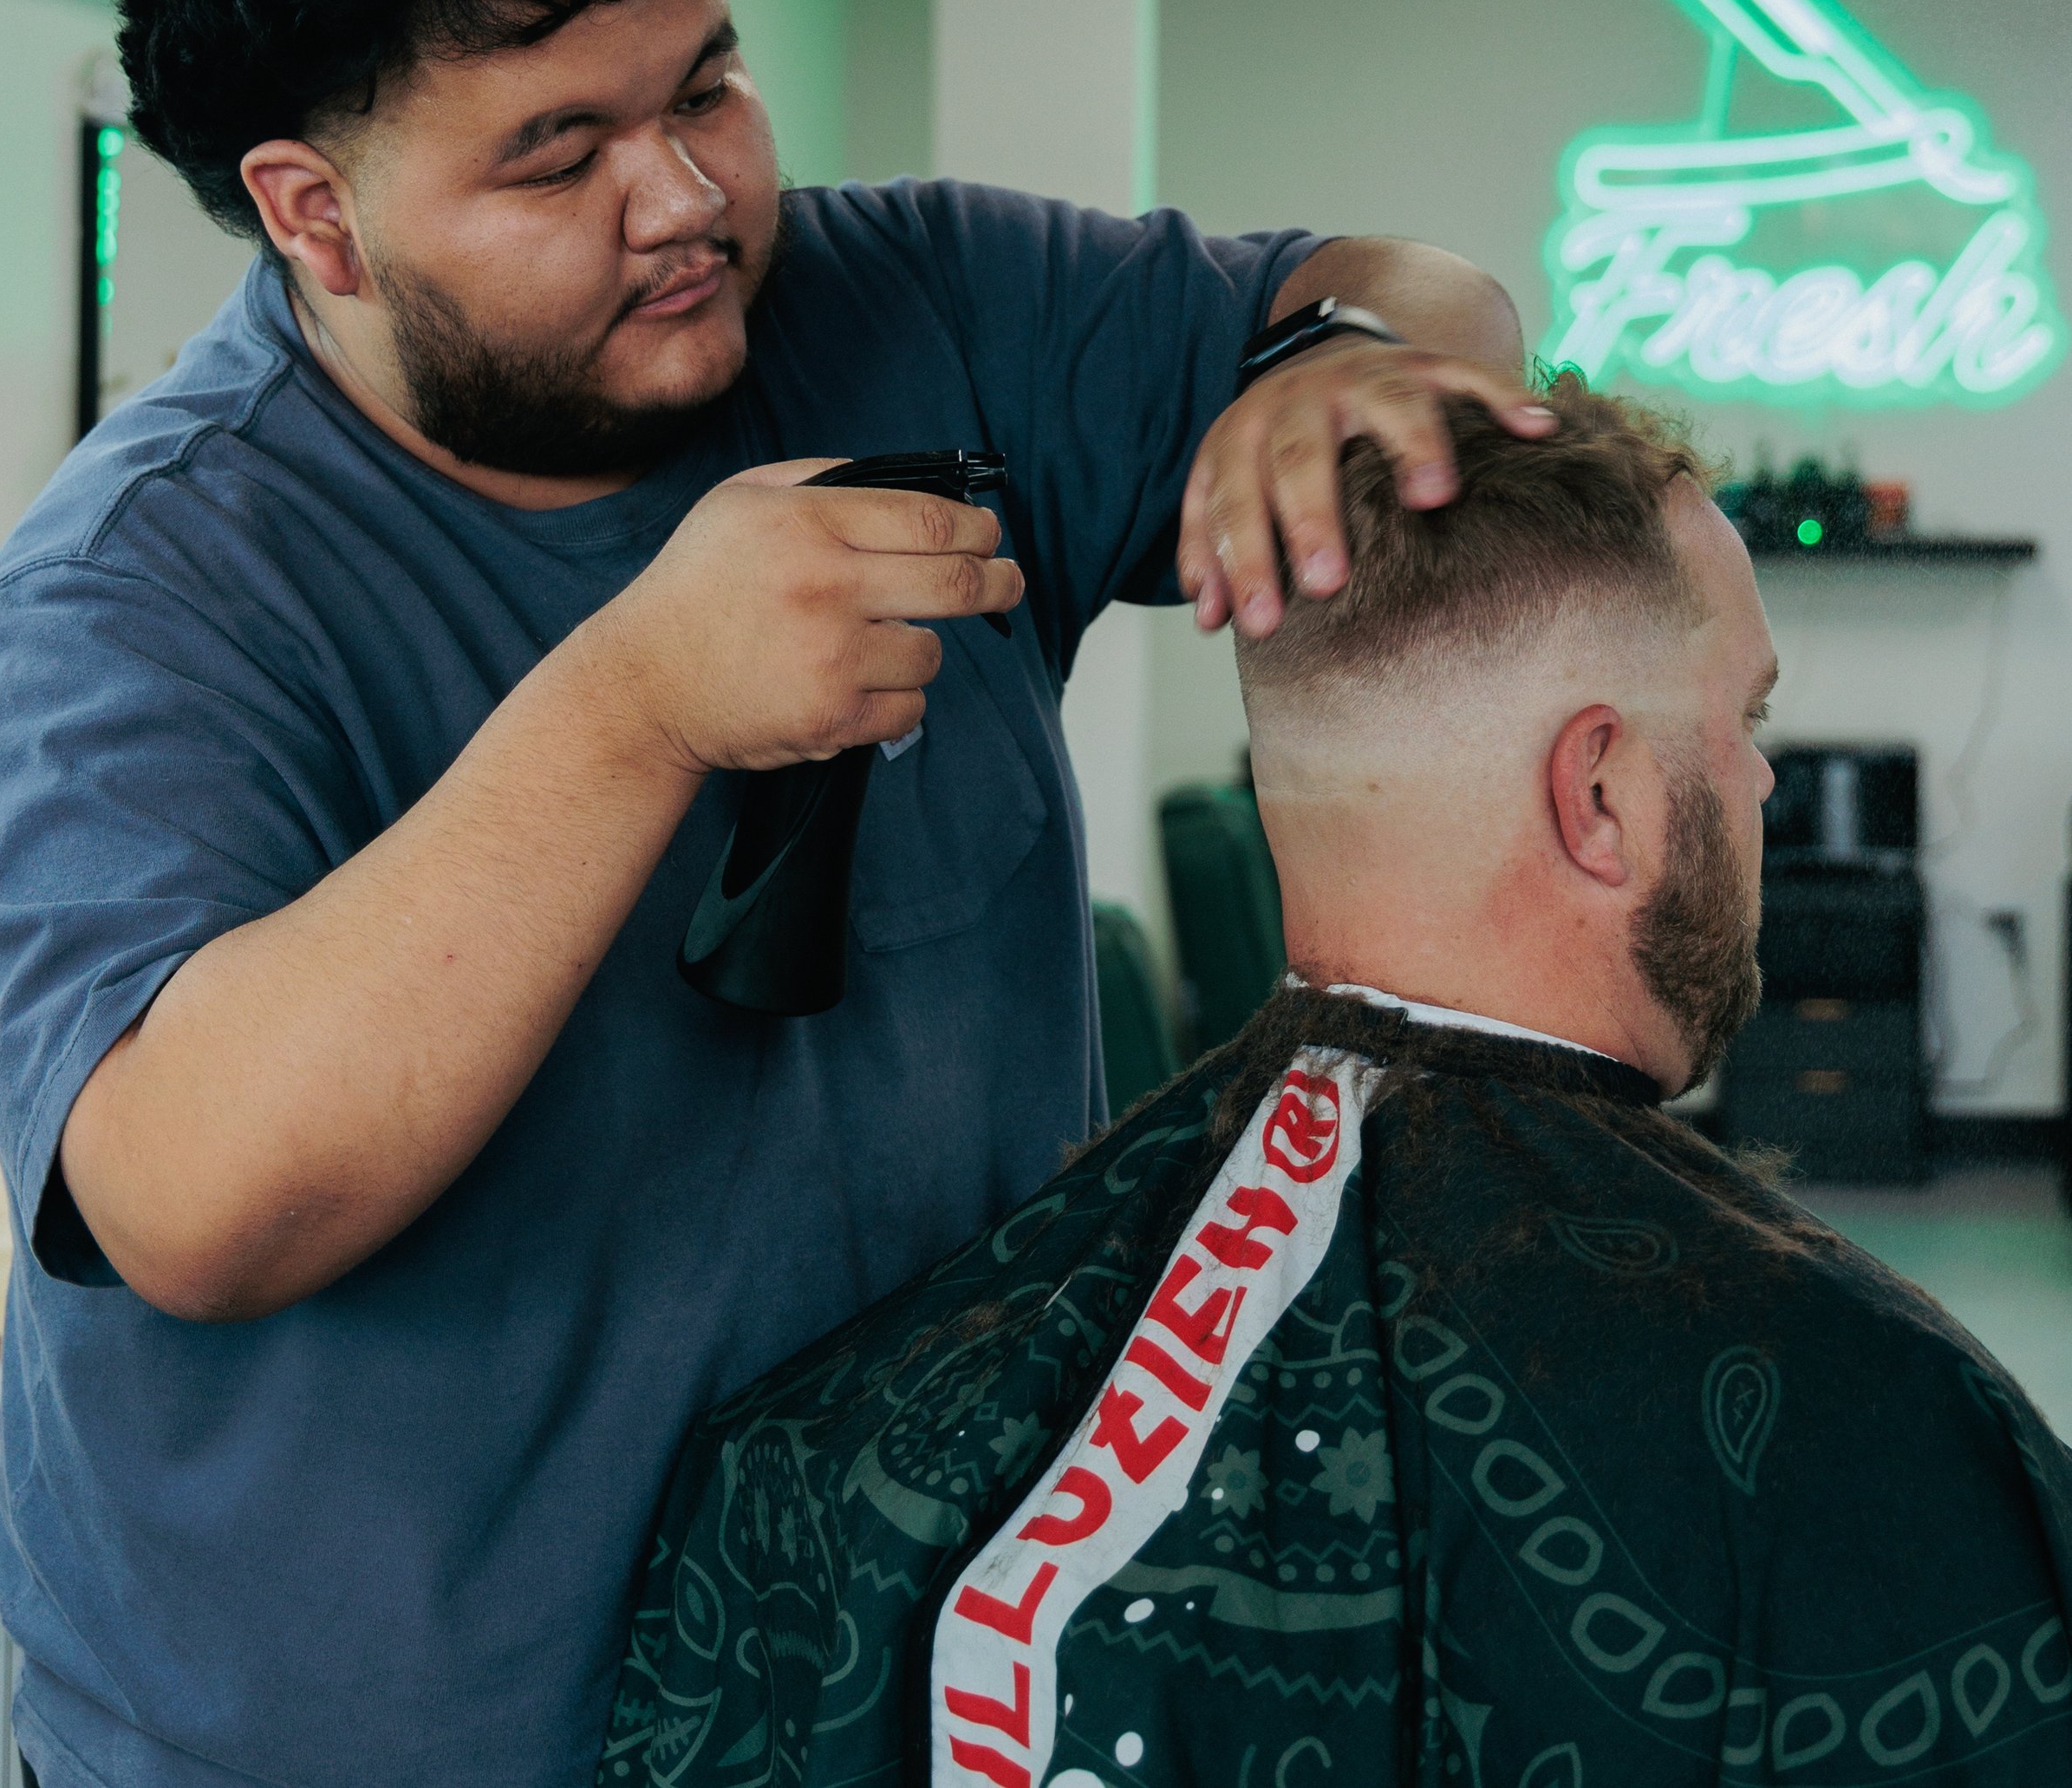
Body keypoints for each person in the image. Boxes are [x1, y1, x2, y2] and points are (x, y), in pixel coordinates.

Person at [0, 0, 1553, 1788]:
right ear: (317, 216)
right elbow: (192, 1197)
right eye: (557, 155)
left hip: (923, 1708)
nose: (685, 196)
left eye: (705, 87)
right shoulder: (140, 596)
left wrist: (1341, 369)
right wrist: (633, 702)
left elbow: (1422, 293)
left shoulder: (912, 306)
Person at [605, 379, 2072, 1788]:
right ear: (1600, 793)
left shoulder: (817, 1454)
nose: (1759, 783)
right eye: (1743, 721)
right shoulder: (1881, 1438)